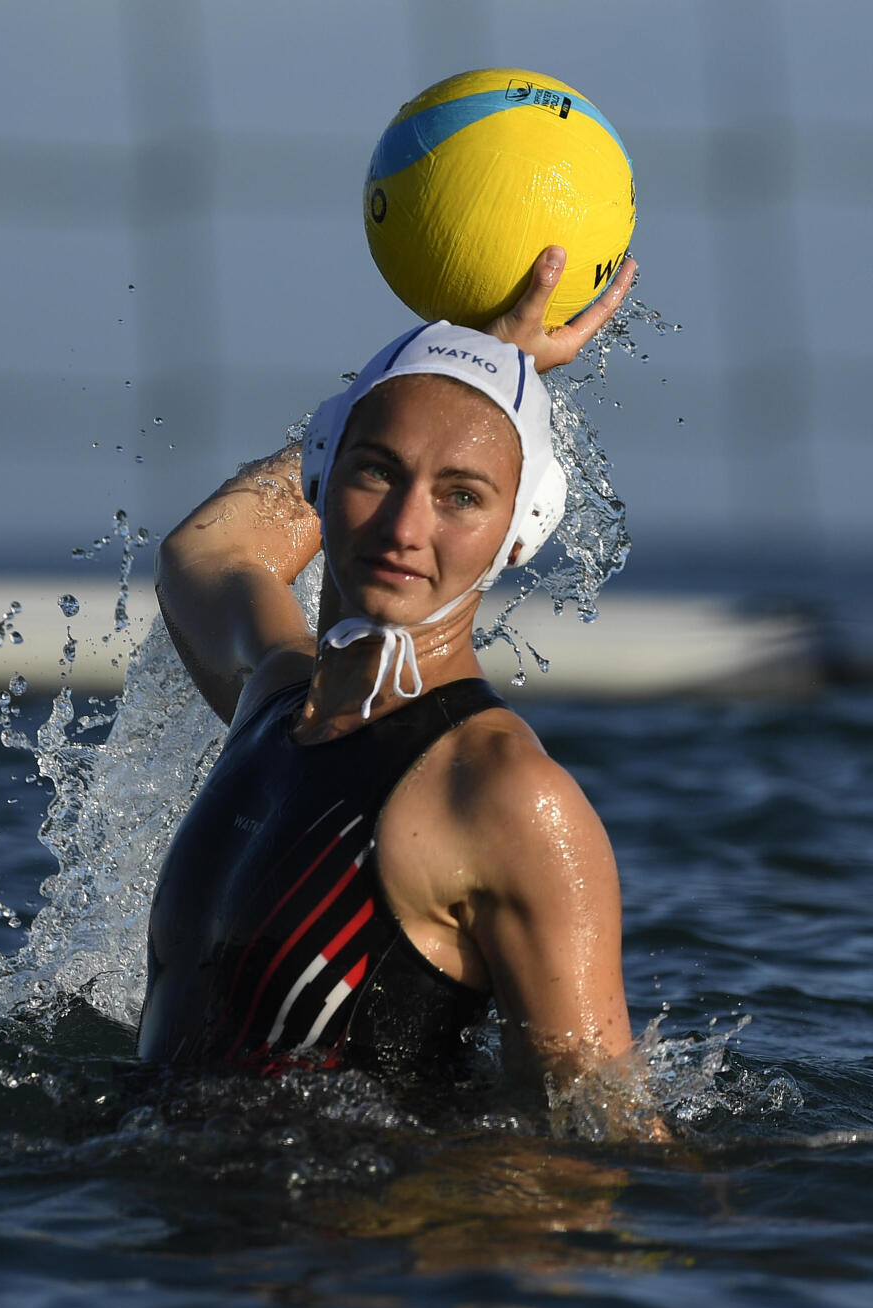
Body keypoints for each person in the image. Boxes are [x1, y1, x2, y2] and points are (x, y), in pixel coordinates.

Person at [138, 249, 650, 1104]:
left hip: (365, 1231)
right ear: (321, 473)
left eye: (461, 495)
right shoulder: (275, 694)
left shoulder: (502, 796)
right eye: (376, 470)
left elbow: (597, 1131)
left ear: (517, 535)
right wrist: (478, 358)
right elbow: (206, 550)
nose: (406, 526)